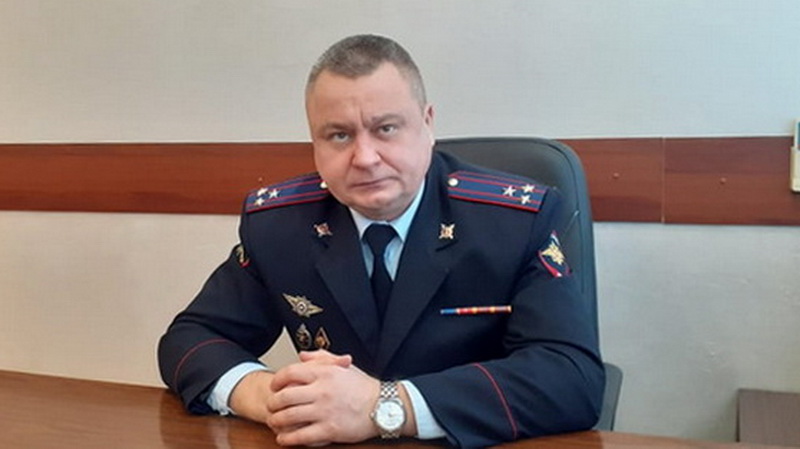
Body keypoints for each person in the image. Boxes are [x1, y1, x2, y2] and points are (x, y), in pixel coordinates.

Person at [158, 34, 604, 448]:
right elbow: (189, 338)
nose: (365, 158)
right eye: (339, 135)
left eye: (386, 128)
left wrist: (386, 406)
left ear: (427, 123)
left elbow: (572, 377)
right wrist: (267, 396)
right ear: (313, 141)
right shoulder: (278, 225)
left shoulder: (514, 220)